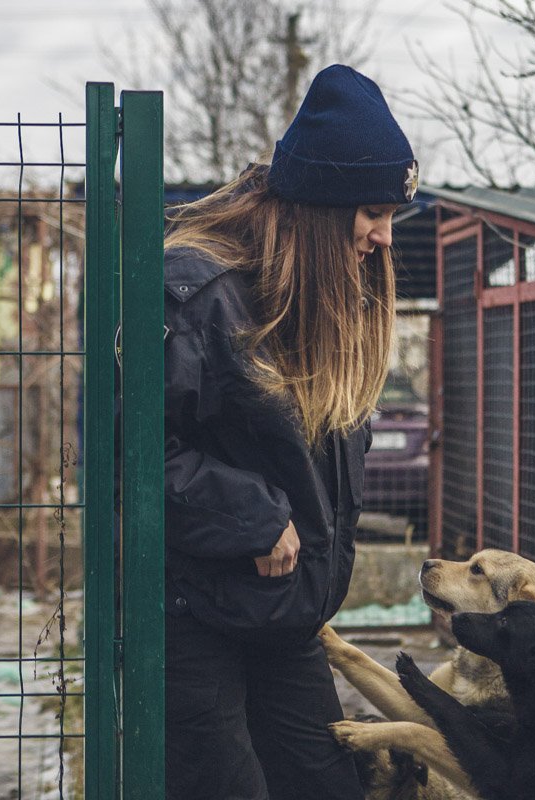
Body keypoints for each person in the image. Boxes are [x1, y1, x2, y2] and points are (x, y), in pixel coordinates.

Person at [161, 64, 417, 800]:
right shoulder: (199, 293)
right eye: (374, 212)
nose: (384, 236)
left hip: (287, 620)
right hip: (194, 617)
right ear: (322, 206)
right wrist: (255, 516)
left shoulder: (325, 297)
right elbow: (125, 454)